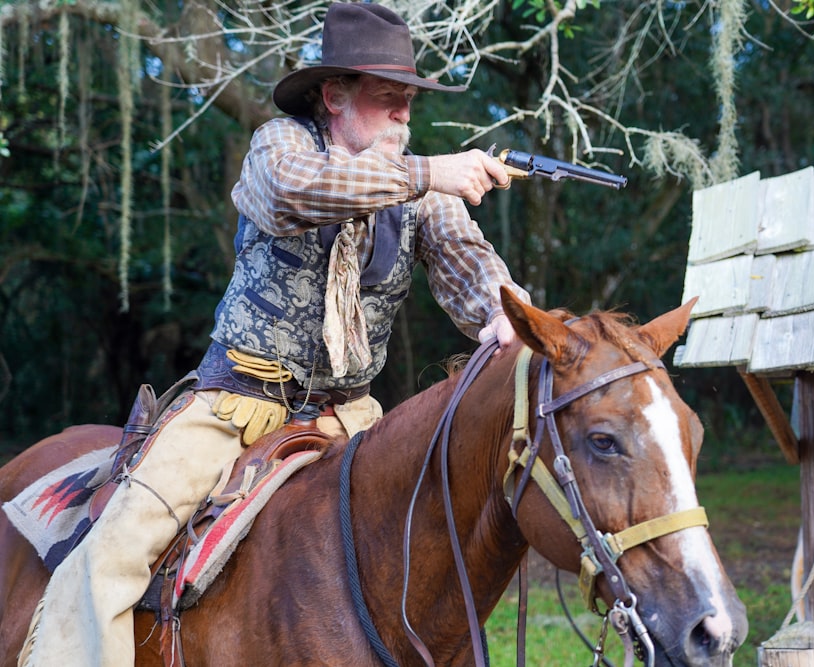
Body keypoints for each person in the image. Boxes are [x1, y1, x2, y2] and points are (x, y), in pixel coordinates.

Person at [18, 3, 529, 665]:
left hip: (351, 420)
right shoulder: (280, 148)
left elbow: (472, 265)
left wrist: (507, 312)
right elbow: (295, 191)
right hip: (234, 407)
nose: (406, 114)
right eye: (388, 98)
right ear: (334, 96)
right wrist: (430, 172)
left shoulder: (426, 194)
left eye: (410, 100)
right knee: (109, 557)